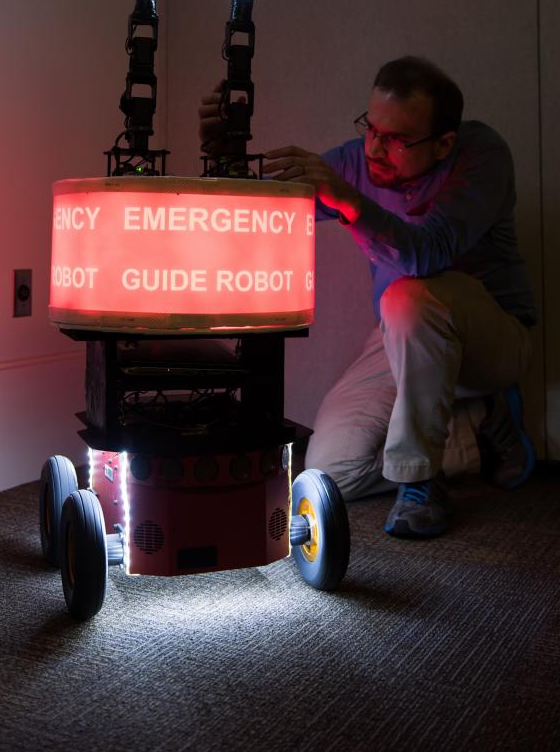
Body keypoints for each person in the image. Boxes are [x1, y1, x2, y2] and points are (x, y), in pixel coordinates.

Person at [199, 56, 536, 538]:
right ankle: (480, 426)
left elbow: (427, 254)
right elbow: (257, 211)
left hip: (493, 336)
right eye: (370, 128)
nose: (376, 148)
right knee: (332, 471)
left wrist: (347, 200)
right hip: (399, 337)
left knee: (407, 297)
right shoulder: (355, 161)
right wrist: (221, 155)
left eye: (397, 140)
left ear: (443, 143)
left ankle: (421, 483)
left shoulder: (481, 155)